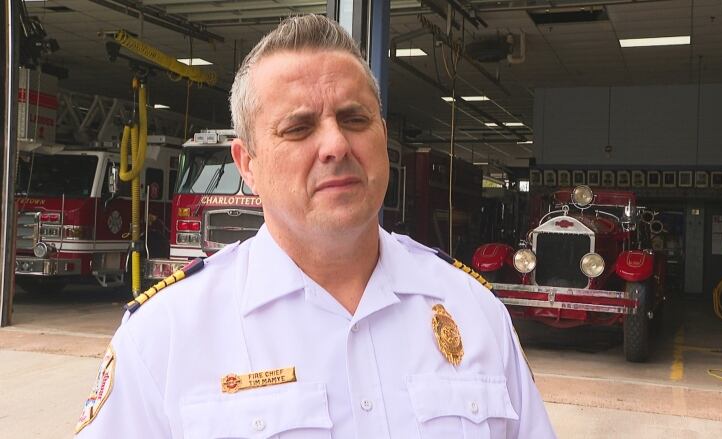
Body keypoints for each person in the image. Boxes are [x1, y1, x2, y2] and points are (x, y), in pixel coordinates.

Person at [74, 14, 557, 439]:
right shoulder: (166, 336)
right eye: (299, 128)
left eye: (354, 118)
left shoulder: (474, 312)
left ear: (383, 138)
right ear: (247, 163)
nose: (336, 145)